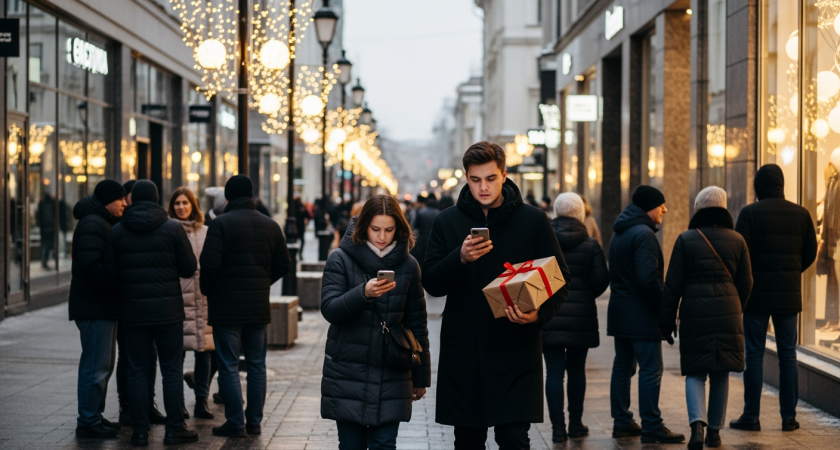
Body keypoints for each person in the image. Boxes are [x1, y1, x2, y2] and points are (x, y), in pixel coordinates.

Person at [422, 141, 571, 449]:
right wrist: (459, 258)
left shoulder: (533, 220)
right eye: (475, 179)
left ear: (504, 175)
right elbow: (432, 283)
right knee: (468, 441)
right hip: (464, 352)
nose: (483, 187)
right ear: (466, 177)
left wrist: (538, 314)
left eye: (491, 178)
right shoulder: (447, 221)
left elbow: (561, 279)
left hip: (516, 349)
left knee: (514, 439)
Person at [320, 194, 431, 449]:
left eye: (389, 230)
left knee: (384, 444)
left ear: (399, 228)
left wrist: (420, 377)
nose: (382, 236)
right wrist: (363, 293)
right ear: (363, 227)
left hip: (393, 371)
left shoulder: (409, 265)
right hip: (348, 371)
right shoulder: (340, 259)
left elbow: (417, 323)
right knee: (351, 446)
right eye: (375, 229)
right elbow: (330, 309)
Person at [660, 187, 753, 449]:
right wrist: (735, 306)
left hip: (694, 312)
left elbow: (673, 285)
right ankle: (714, 432)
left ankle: (697, 429)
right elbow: (747, 282)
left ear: (699, 208)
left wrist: (666, 322)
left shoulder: (686, 239)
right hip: (728, 311)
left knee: (695, 373)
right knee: (721, 374)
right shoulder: (737, 240)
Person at [108, 180, 199, 446]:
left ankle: (139, 431)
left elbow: (111, 274)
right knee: (171, 369)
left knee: (137, 369)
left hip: (133, 311)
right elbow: (188, 268)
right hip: (168, 311)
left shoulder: (118, 230)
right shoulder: (172, 228)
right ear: (158, 199)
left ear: (132, 200)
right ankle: (175, 428)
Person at [200, 175, 291, 437]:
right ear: (251, 195)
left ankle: (235, 422)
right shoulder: (270, 225)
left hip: (226, 307)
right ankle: (254, 421)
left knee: (228, 365)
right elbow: (283, 264)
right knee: (256, 365)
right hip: (257, 306)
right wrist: (262, 282)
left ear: (227, 197)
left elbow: (209, 265)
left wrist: (210, 290)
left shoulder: (220, 224)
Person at [730, 164, 818, 432]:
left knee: (754, 353)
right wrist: (791, 271)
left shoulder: (749, 214)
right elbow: (810, 252)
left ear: (758, 186)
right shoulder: (801, 214)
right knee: (788, 355)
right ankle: (789, 417)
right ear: (781, 184)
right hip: (788, 295)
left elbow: (740, 254)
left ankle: (751, 416)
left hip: (756, 295)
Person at [608, 185, 684, 443]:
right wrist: (664, 311)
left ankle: (622, 422)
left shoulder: (621, 232)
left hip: (620, 312)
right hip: (640, 314)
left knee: (623, 367)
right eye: (661, 205)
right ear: (649, 207)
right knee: (651, 369)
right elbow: (648, 279)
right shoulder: (643, 234)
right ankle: (652, 425)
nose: (665, 209)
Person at [542, 193, 609, 443]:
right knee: (577, 371)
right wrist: (586, 295)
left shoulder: (545, 242)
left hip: (549, 316)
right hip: (581, 317)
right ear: (581, 214)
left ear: (556, 213)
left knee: (554, 373)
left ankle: (558, 428)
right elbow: (601, 281)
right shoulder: (591, 245)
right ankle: (576, 423)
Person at [69, 180, 127, 439]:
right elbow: (92, 267)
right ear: (107, 201)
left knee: (103, 364)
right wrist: (114, 288)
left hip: (102, 306)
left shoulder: (102, 222)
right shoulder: (93, 223)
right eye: (120, 199)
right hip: (95, 307)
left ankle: (94, 414)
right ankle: (88, 421)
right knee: (96, 366)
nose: (125, 203)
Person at [115, 179, 165, 427]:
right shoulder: (121, 227)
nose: (125, 203)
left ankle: (141, 412)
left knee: (139, 359)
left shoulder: (120, 228)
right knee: (132, 359)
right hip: (145, 305)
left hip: (131, 304)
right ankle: (132, 407)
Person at [168, 187, 215, 420]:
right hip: (177, 300)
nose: (181, 207)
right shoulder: (168, 231)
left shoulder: (206, 232)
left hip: (203, 300)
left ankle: (201, 401)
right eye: (177, 203)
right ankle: (178, 405)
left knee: (203, 352)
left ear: (193, 206)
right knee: (176, 355)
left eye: (185, 203)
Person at [409, 193, 440, 266]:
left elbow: (414, 227)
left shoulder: (421, 212)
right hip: (434, 241)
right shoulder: (439, 213)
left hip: (422, 241)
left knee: (421, 262)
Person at [37, 192, 57, 270]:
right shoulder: (52, 203)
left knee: (44, 245)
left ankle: (44, 261)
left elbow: (38, 216)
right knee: (49, 245)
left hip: (44, 228)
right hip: (51, 228)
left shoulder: (41, 203)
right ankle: (46, 260)